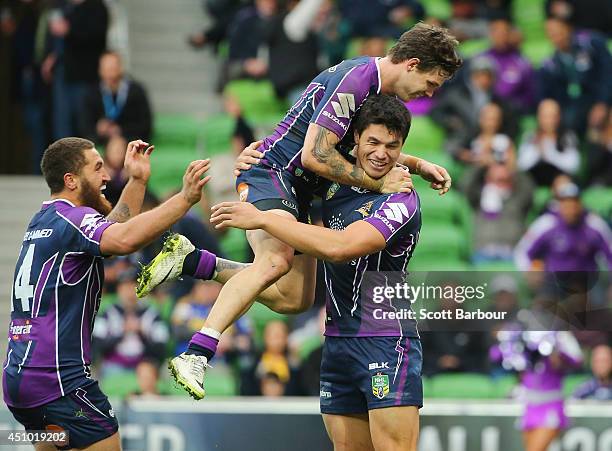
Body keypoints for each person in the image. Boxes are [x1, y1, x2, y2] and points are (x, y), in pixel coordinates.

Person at [138, 23, 461, 399]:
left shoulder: (368, 86)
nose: (430, 92)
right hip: (273, 176)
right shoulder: (355, 81)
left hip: (297, 192)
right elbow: (315, 154)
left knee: (295, 299)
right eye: (432, 82)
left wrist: (419, 165)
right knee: (275, 262)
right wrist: (379, 184)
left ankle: (193, 262)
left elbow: (354, 147)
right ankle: (197, 351)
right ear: (413, 64)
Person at [143, 96, 424, 450]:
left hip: (385, 338)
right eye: (374, 142)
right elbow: (290, 154)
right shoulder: (336, 174)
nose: (382, 153)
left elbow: (342, 246)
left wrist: (261, 219)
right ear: (355, 140)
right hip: (337, 340)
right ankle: (195, 263)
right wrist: (252, 161)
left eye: (392, 146)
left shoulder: (400, 198)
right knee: (291, 297)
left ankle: (200, 312)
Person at [2, 137, 210, 450]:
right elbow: (124, 240)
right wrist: (184, 200)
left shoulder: (45, 220)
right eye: (97, 168)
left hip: (21, 382)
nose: (106, 177)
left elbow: (112, 231)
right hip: (60, 380)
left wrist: (137, 180)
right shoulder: (73, 219)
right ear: (71, 180)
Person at [514, 182, 612, 272]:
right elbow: (522, 251)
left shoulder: (593, 223)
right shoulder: (547, 223)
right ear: (560, 204)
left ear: (580, 204)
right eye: (566, 203)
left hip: (586, 284)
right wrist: (530, 271)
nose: (571, 208)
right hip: (553, 283)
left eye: (574, 202)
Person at [80, 51, 153, 145]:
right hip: (101, 142)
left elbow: (145, 125)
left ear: (120, 68)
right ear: (100, 70)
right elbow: (85, 126)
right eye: (106, 69)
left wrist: (121, 131)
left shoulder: (136, 92)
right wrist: (99, 129)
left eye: (112, 69)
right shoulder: (91, 93)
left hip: (129, 141)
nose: (109, 74)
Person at [517, 99, 580, 186]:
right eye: (545, 116)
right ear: (538, 117)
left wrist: (549, 152)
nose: (549, 121)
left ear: (559, 117)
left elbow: (573, 166)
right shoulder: (530, 136)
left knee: (564, 182)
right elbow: (522, 165)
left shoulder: (567, 137)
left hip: (559, 178)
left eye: (552, 116)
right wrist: (536, 150)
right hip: (535, 179)